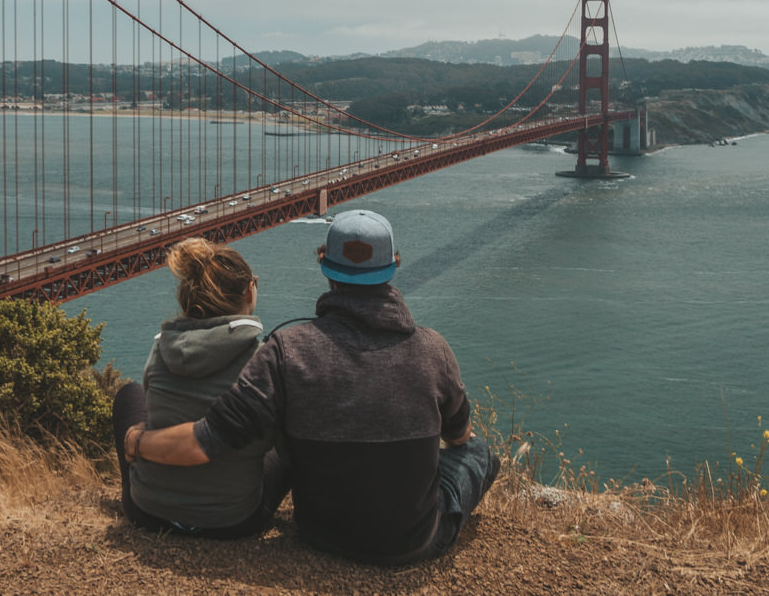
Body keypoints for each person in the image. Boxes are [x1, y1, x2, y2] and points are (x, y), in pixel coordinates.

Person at [124, 209, 499, 564]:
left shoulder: (287, 350)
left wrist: (137, 441)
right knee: (478, 451)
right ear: (394, 266)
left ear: (323, 262)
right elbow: (460, 436)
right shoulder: (434, 348)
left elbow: (208, 439)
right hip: (414, 541)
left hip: (320, 534)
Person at [113, 237, 289, 537]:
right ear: (249, 290)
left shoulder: (160, 350)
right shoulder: (262, 360)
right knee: (289, 439)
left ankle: (144, 483)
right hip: (233, 522)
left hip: (148, 512)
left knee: (130, 393)